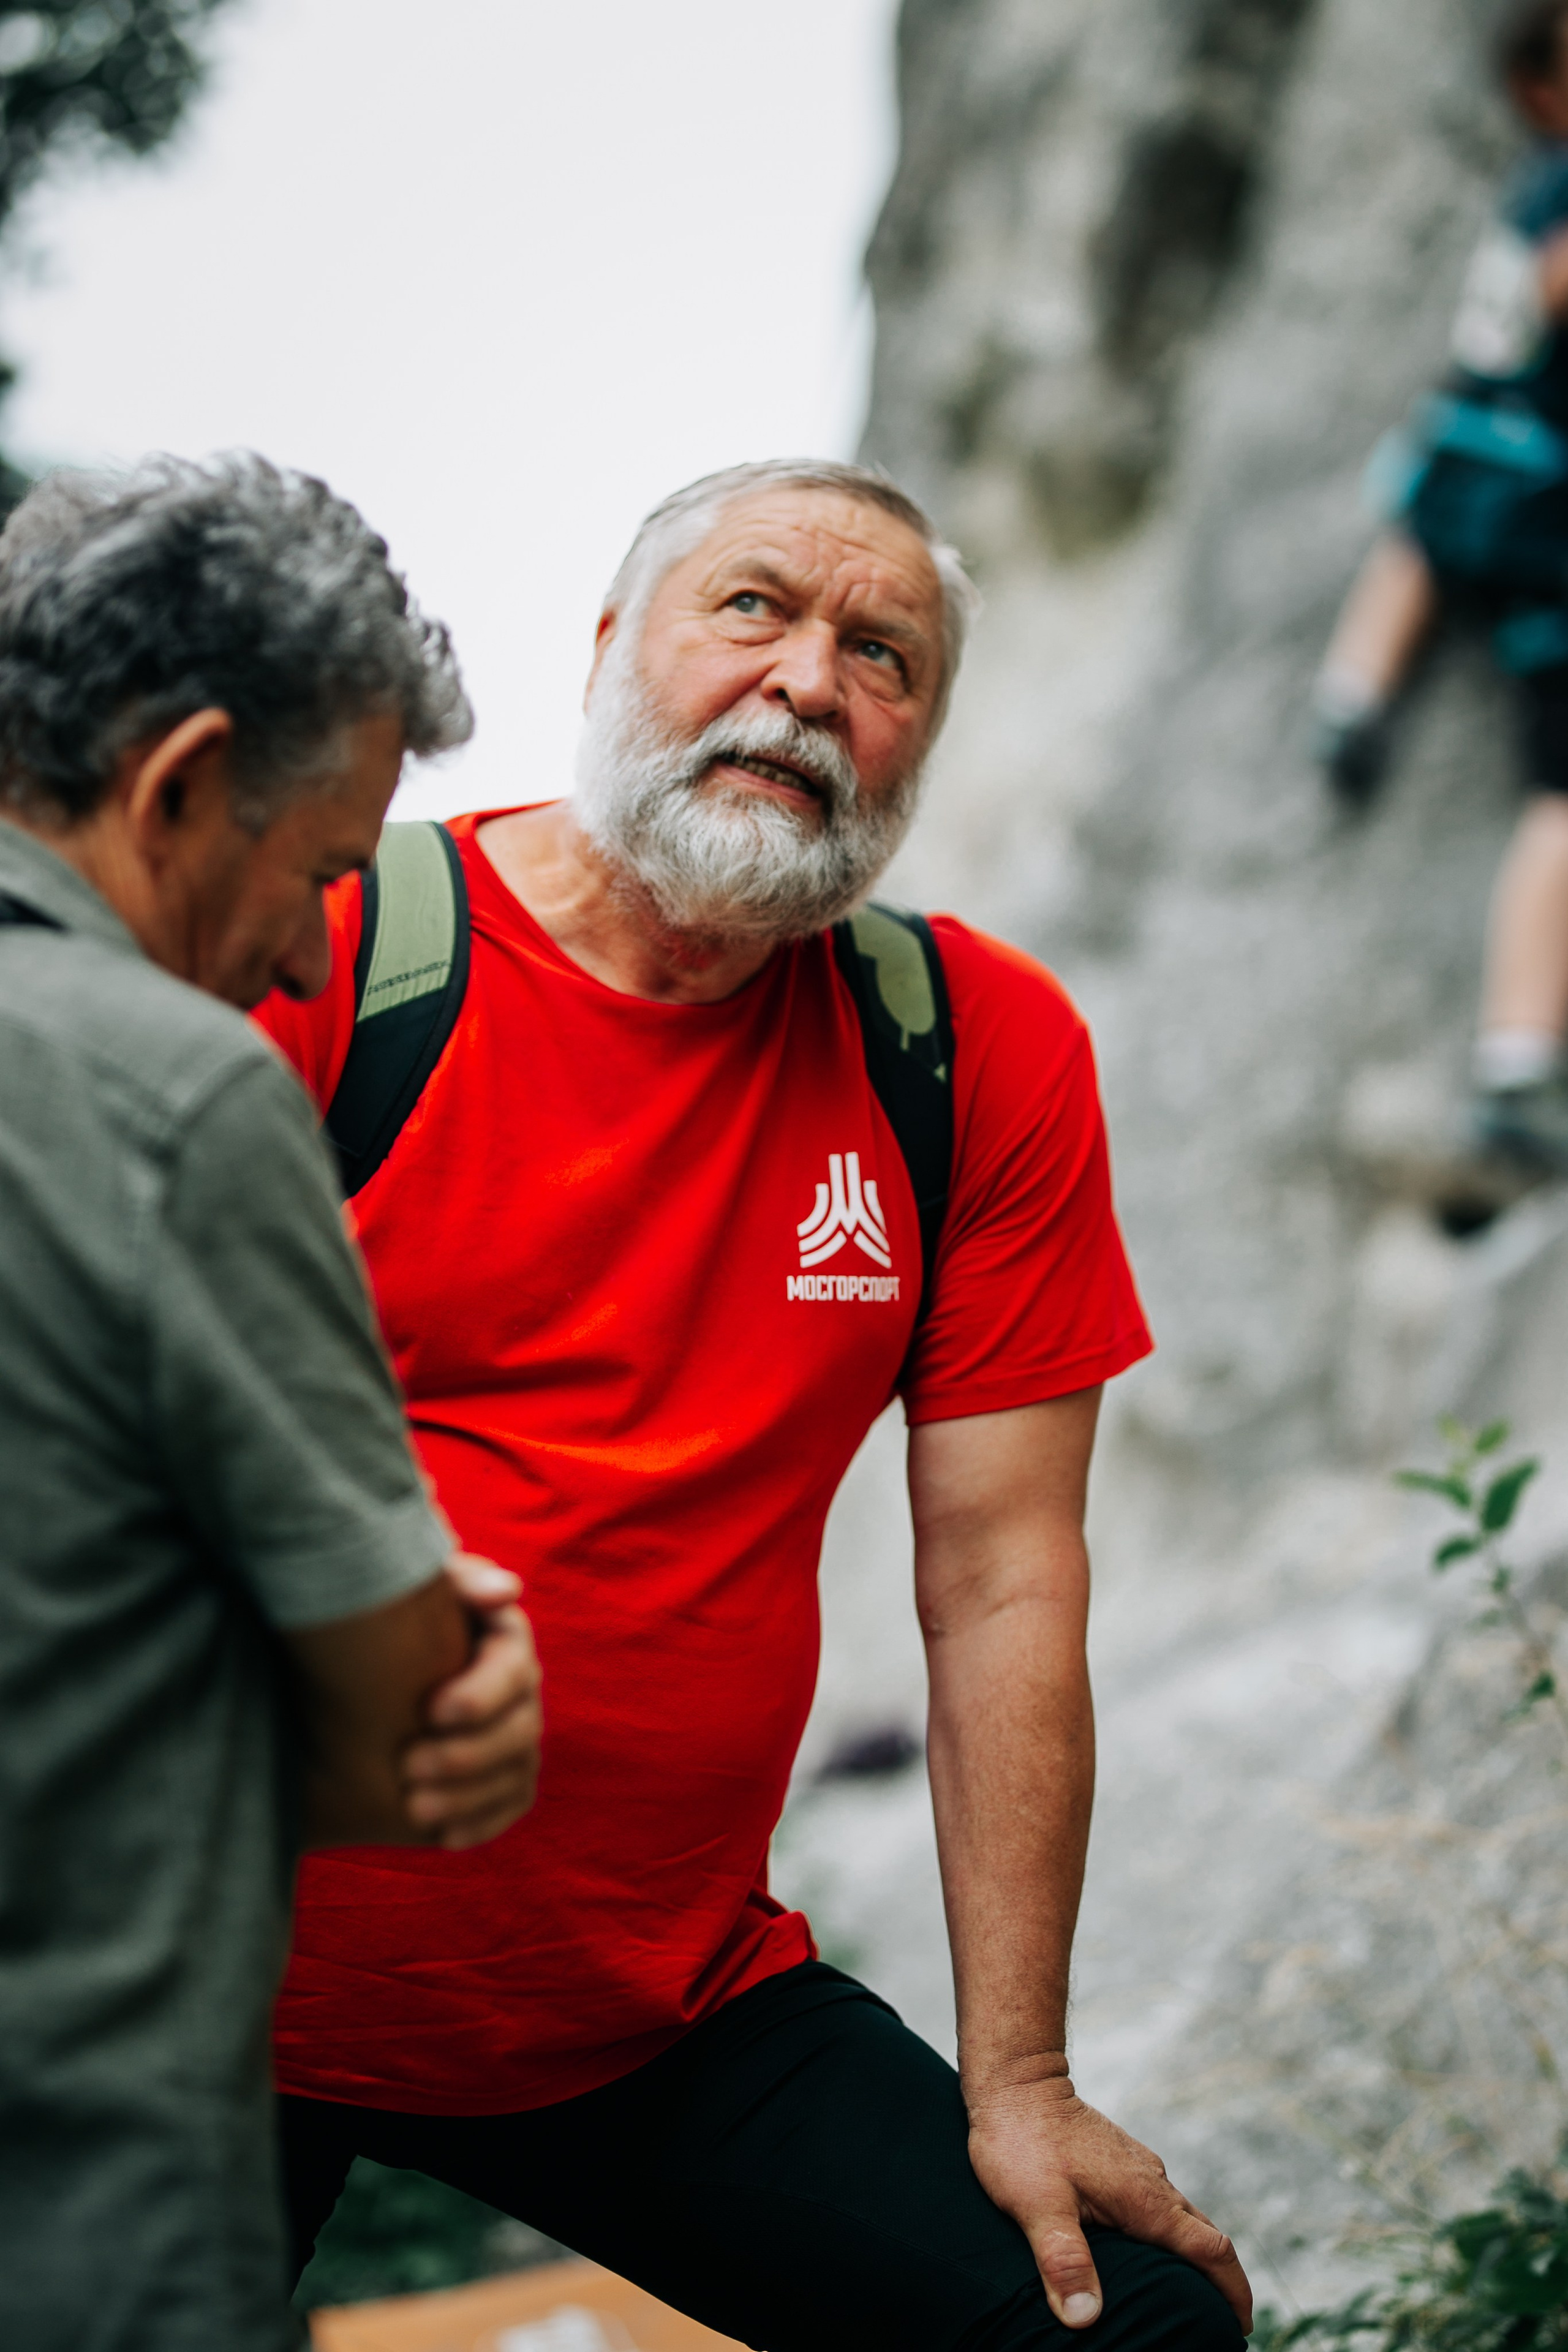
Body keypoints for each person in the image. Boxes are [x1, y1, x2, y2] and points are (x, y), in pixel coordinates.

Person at [258, 457, 1251, 2352]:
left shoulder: (967, 1050)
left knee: (1126, 2329)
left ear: (920, 743)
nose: (810, 683)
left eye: (885, 657)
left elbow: (1005, 1580)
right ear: (607, 648)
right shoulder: (329, 943)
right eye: (752, 609)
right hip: (192, 1976)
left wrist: (1020, 2078)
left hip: (655, 2008)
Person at [0, 454, 544, 2352]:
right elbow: (399, 1725)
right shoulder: (177, 1094)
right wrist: (449, 1682)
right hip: (84, 2196)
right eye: (319, 871)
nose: (317, 955)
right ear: (178, 782)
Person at [1311, 0, 1568, 1173]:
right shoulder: (1555, 189)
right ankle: (1517, 1056)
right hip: (1536, 494)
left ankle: (1354, 692)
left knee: (1418, 532)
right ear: (1540, 93)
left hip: (1480, 452)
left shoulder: (1530, 187)